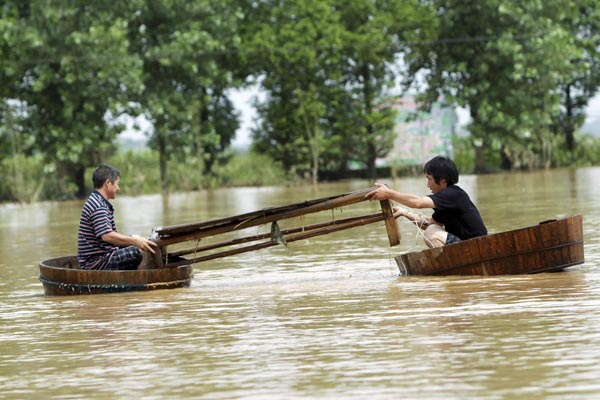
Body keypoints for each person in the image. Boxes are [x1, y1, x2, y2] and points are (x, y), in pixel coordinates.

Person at [366, 155, 487, 248]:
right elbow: (430, 223)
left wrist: (388, 193)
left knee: (431, 233)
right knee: (432, 229)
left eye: (430, 179)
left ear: (443, 180)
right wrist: (405, 213)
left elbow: (418, 202)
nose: (428, 185)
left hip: (477, 247)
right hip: (468, 246)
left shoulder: (454, 194)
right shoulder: (445, 200)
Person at [77, 164, 158, 270]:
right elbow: (107, 236)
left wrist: (133, 238)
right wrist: (135, 241)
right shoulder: (98, 205)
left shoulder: (97, 200)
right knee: (137, 251)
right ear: (108, 183)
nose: (118, 188)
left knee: (136, 242)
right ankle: (140, 284)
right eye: (117, 184)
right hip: (96, 263)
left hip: (101, 257)